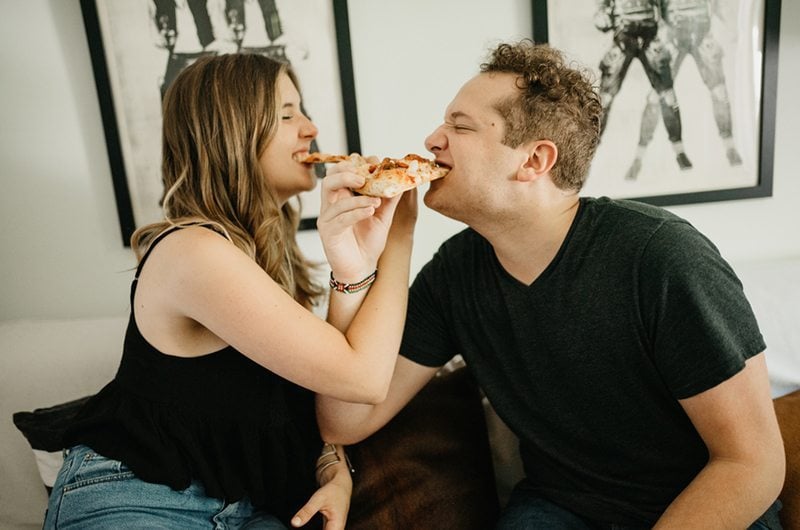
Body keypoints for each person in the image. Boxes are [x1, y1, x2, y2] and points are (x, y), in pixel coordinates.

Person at [317, 41, 785, 529]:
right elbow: (344, 420)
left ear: (535, 160)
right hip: (561, 508)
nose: (433, 139)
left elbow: (752, 464)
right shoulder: (456, 273)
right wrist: (379, 250)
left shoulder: (662, 258)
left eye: (460, 126)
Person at [44, 53, 416, 529]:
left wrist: (334, 471)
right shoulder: (193, 251)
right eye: (287, 114)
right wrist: (401, 235)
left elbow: (334, 394)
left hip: (245, 508)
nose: (310, 128)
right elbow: (364, 377)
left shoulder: (266, 267)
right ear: (231, 132)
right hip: (138, 497)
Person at [626, 0, 743, 180]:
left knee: (720, 92)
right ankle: (641, 156)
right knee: (658, 96)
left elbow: (721, 6)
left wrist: (732, 29)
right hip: (672, 36)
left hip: (702, 32)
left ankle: (730, 147)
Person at [594, 0, 693, 171]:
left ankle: (679, 151)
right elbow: (601, 16)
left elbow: (668, 12)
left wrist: (670, 28)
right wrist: (604, 18)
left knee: (668, 96)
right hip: (623, 39)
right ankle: (588, 150)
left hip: (651, 38)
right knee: (604, 99)